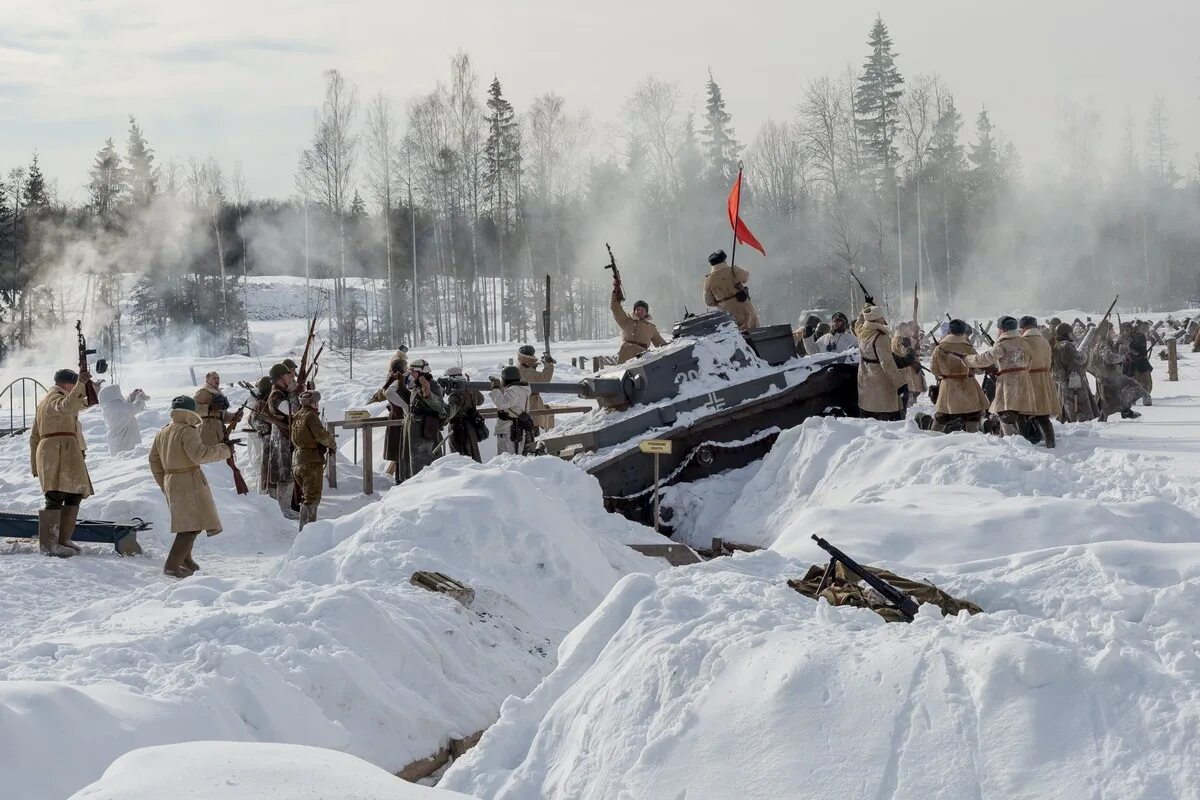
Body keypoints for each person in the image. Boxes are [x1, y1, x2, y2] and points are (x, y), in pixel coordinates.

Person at [148, 396, 233, 578]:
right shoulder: (188, 431)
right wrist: (224, 450)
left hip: (173, 479)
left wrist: (164, 481)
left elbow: (154, 460)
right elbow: (199, 455)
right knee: (191, 525)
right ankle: (172, 565)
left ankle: (185, 559)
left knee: (188, 521)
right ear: (191, 411)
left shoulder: (163, 431)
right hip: (188, 480)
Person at [30, 367, 95, 557]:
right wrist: (81, 384)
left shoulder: (53, 399)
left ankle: (63, 539)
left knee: (75, 494)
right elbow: (66, 406)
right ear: (67, 384)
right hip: (57, 452)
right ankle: (50, 544)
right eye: (74, 384)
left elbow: (77, 404)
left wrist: (89, 389)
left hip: (66, 453)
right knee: (56, 496)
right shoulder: (54, 398)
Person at [964, 316, 1036, 437]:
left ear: (1002, 330)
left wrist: (967, 359)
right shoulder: (1024, 342)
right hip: (1024, 380)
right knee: (1014, 413)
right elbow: (1030, 361)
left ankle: (1012, 441)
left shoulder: (1003, 343)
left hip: (1008, 383)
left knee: (1005, 414)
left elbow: (985, 359)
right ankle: (1007, 441)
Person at [929, 319, 989, 433]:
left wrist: (944, 376)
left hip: (948, 386)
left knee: (942, 416)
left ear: (949, 330)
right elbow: (978, 368)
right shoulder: (968, 347)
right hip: (969, 385)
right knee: (972, 416)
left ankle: (932, 441)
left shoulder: (940, 348)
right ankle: (976, 444)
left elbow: (934, 369)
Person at [290, 390, 336, 530]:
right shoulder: (311, 416)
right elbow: (321, 435)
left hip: (297, 460)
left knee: (306, 498)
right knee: (312, 499)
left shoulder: (297, 415)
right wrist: (332, 443)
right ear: (314, 403)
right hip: (311, 461)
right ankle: (308, 534)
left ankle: (303, 531)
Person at [397, 358, 449, 480]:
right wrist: (400, 384)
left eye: (414, 371)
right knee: (412, 462)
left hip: (424, 433)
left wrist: (428, 393)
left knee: (422, 463)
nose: (411, 374)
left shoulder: (431, 385)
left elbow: (439, 406)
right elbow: (413, 403)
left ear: (421, 371)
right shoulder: (418, 385)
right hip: (415, 430)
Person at [1087, 319, 1149, 420]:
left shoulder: (1105, 342)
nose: (1114, 333)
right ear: (1106, 332)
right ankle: (1109, 415)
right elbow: (1109, 358)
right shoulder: (1103, 343)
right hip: (1108, 375)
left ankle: (1124, 411)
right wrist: (1122, 356)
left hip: (1107, 374)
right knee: (1131, 385)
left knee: (1109, 397)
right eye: (1112, 330)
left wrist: (1118, 346)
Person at [855, 305, 908, 421]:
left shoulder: (861, 331)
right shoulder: (881, 337)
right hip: (880, 381)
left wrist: (865, 308)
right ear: (879, 319)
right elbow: (887, 363)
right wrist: (899, 384)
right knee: (887, 415)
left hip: (864, 375)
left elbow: (858, 322)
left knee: (867, 411)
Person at [1018, 316, 1060, 448]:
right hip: (1044, 378)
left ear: (1024, 327)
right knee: (1043, 416)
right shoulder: (1044, 341)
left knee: (1022, 413)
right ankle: (1050, 443)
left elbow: (1021, 361)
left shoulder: (1023, 341)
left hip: (1029, 379)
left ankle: (1026, 444)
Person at [263, 363, 298, 518]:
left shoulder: (280, 393)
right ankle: (284, 511)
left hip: (285, 437)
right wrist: (293, 393)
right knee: (285, 475)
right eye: (287, 375)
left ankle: (285, 509)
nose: (290, 377)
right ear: (279, 378)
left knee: (288, 474)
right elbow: (293, 411)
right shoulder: (276, 395)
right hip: (282, 439)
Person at [1051, 323, 1098, 423]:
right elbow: (1079, 359)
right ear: (1066, 334)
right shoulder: (1066, 345)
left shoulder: (1056, 346)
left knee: (1069, 409)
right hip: (1075, 383)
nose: (1072, 335)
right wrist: (1084, 352)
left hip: (1065, 383)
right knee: (1079, 413)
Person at [703, 249, 759, 331]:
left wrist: (721, 302)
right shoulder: (733, 270)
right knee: (754, 330)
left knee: (735, 333)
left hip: (725, 312)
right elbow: (746, 277)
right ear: (724, 260)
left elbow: (708, 301)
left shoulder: (708, 280)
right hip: (742, 305)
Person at [611, 292, 667, 364]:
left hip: (642, 358)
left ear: (646, 313)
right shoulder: (626, 321)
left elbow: (661, 343)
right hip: (625, 355)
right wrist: (616, 293)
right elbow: (616, 309)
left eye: (642, 310)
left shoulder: (651, 328)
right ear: (634, 311)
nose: (640, 311)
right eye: (637, 309)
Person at [444, 367, 486, 462]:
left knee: (459, 458)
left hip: (458, 430)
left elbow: (449, 413)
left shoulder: (455, 395)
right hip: (471, 426)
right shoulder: (470, 387)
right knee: (474, 455)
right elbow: (481, 400)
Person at [490, 365, 533, 455]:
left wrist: (495, 387)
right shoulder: (519, 389)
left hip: (509, 431)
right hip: (514, 430)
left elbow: (501, 403)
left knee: (507, 460)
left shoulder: (514, 390)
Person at [378, 357, 408, 481]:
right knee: (401, 451)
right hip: (399, 418)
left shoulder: (393, 380)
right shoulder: (397, 381)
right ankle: (400, 480)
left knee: (399, 452)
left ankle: (400, 479)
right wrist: (405, 406)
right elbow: (389, 394)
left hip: (396, 417)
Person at [98, 384, 148, 454]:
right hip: (125, 444)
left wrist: (132, 397)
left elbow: (125, 408)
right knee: (126, 461)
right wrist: (140, 398)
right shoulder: (119, 407)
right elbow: (136, 408)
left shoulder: (109, 407)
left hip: (116, 442)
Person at [194, 371, 240, 446]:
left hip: (219, 432)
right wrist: (208, 408)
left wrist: (234, 416)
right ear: (207, 381)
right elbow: (192, 408)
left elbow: (222, 416)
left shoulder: (219, 394)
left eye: (218, 378)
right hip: (205, 431)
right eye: (214, 378)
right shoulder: (203, 392)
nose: (217, 380)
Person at [517, 344, 557, 430]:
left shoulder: (521, 367)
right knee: (532, 434)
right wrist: (548, 364)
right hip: (529, 407)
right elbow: (544, 380)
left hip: (524, 406)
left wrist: (533, 367)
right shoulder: (526, 371)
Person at [891, 321, 927, 405]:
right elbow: (904, 351)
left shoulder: (900, 338)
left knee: (914, 389)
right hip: (906, 366)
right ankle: (908, 403)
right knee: (910, 388)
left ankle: (910, 402)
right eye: (907, 329)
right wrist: (911, 345)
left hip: (908, 365)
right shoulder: (899, 339)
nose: (909, 331)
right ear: (902, 329)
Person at [1127, 322, 1153, 406]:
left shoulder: (1140, 336)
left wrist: (1128, 346)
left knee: (1145, 383)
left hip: (1141, 362)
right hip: (1130, 363)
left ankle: (1145, 398)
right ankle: (1132, 398)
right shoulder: (1129, 336)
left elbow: (1137, 351)